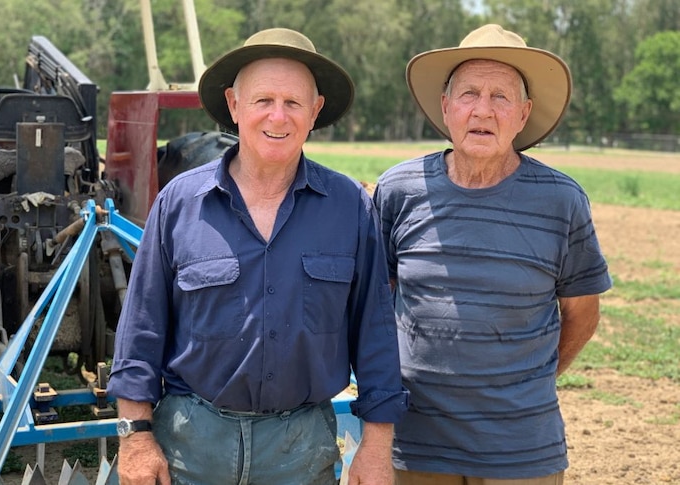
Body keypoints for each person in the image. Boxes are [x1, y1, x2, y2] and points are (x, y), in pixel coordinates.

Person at [106, 28, 410, 485]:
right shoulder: (179, 204)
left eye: (293, 102)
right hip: (191, 446)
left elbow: (376, 334)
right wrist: (135, 436)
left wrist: (376, 445)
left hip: (301, 449)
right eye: (263, 100)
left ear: (315, 111)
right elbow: (140, 331)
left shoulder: (350, 206)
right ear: (233, 105)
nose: (278, 116)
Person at [372, 24, 613, 484]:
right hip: (416, 443)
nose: (483, 110)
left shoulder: (562, 200)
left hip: (523, 448)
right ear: (445, 107)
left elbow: (582, 311)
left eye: (501, 97)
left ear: (523, 114)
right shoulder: (399, 190)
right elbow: (374, 305)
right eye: (469, 94)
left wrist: (535, 380)